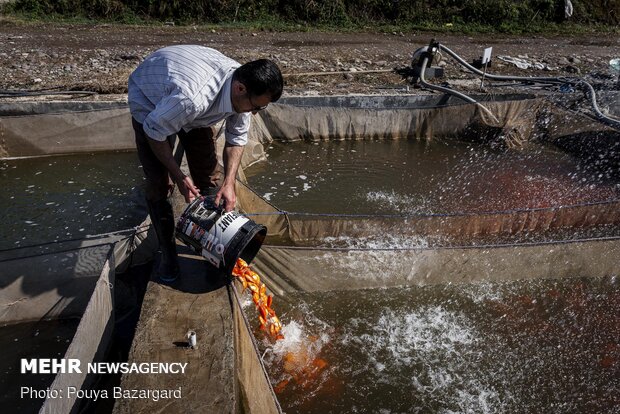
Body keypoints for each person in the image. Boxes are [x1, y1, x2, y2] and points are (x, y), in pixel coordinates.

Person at [128, 45, 283, 282]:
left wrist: (229, 183)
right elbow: (154, 131)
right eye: (256, 107)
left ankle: (215, 244)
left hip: (188, 97)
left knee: (211, 175)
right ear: (240, 89)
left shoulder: (240, 89)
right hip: (150, 98)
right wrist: (178, 176)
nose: (255, 113)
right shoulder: (192, 99)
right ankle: (168, 255)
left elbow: (236, 139)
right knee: (160, 184)